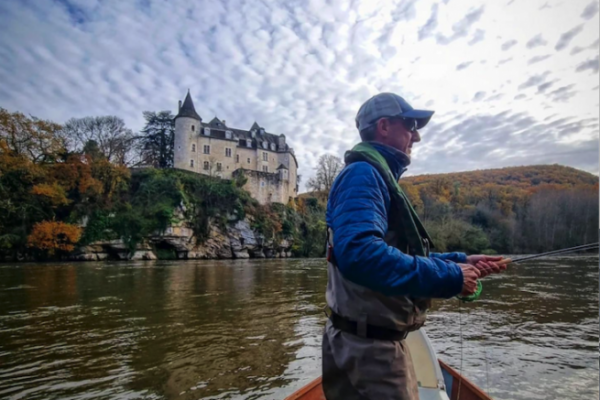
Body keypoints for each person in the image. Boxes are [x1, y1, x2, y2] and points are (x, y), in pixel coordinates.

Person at [322, 92, 505, 400]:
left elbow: (396, 254)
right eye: (410, 125)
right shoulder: (363, 175)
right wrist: (451, 277)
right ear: (383, 127)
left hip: (364, 344)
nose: (417, 135)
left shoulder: (371, 175)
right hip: (371, 355)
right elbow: (361, 255)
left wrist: (462, 261)